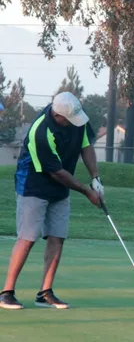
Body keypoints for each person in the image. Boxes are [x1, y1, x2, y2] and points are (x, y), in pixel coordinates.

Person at [0, 92, 105, 310]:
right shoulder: (41, 130)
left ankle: (45, 292)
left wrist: (95, 178)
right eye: (70, 119)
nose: (76, 123)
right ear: (58, 116)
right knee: (28, 238)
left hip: (61, 186)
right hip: (33, 184)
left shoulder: (77, 119)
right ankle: (6, 292)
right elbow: (56, 172)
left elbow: (86, 147)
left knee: (58, 236)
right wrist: (87, 192)